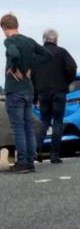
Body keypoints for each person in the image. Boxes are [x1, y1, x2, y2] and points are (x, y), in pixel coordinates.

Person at [2, 13, 51, 173]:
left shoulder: (9, 41)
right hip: (28, 89)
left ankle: (22, 162)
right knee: (28, 126)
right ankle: (30, 161)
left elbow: (14, 54)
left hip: (14, 91)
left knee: (18, 128)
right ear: (17, 25)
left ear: (4, 27)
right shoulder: (29, 41)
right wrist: (31, 68)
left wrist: (13, 68)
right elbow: (47, 55)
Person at [34, 29, 77, 164]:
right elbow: (72, 68)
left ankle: (37, 150)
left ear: (43, 39)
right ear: (56, 40)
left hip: (43, 92)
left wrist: (35, 96)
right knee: (58, 122)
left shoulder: (36, 54)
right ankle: (54, 155)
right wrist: (66, 82)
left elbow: (32, 76)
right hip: (59, 91)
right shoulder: (62, 52)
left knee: (44, 122)